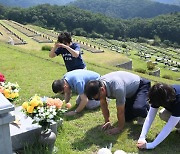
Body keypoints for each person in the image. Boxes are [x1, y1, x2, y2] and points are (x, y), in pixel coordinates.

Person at [84, 71, 151, 135]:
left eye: (97, 98)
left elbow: (120, 111)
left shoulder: (117, 88)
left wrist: (119, 128)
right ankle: (138, 104)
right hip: (128, 94)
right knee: (127, 118)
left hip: (141, 86)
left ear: (102, 89)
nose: (98, 100)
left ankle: (146, 106)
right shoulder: (99, 85)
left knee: (138, 109)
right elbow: (103, 104)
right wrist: (107, 121)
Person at [137, 83, 180, 150]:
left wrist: (151, 145)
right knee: (163, 114)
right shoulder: (159, 94)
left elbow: (169, 126)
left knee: (174, 117)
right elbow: (150, 117)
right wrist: (142, 137)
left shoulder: (178, 100)